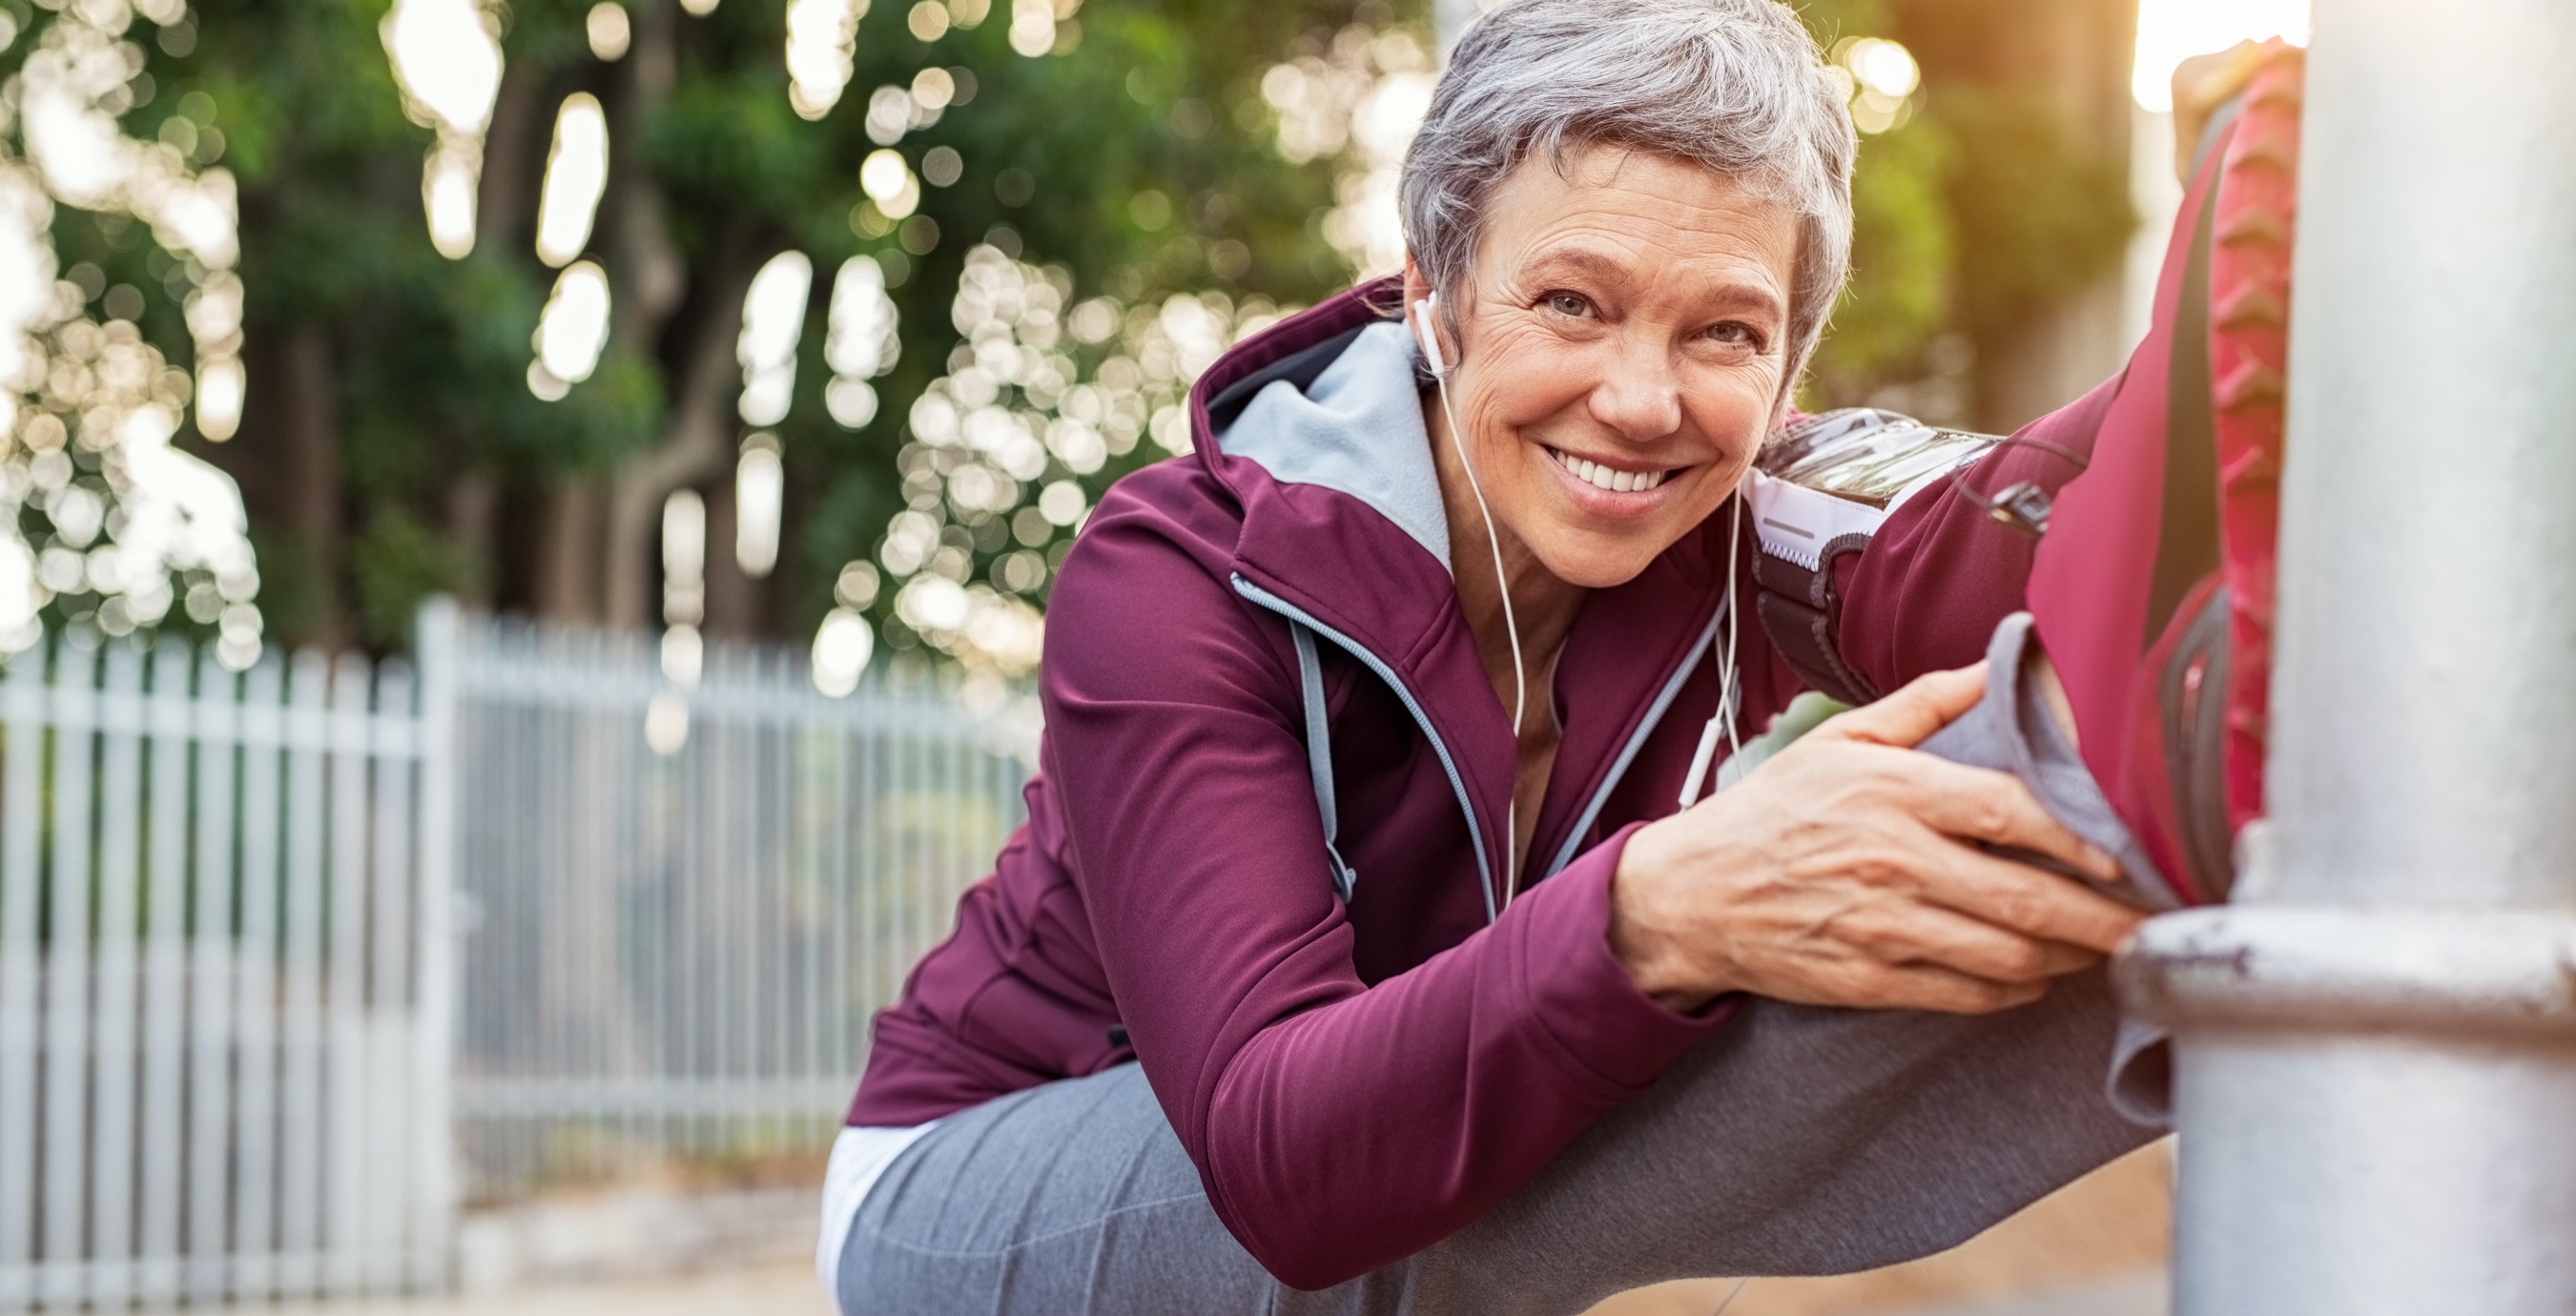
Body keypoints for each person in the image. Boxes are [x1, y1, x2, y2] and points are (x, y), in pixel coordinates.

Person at [826, 2, 2279, 1311]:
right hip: (994, 1174)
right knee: (1491, 1145)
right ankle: (2184, 817)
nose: (1642, 401)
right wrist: (1659, 910)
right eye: (1571, 303)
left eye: (1726, 331)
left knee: (2073, 736)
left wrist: (2302, 284)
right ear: (1433, 297)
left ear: (1789, 363)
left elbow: (2024, 535)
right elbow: (1283, 1160)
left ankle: (2243, 816)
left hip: (1404, 1161)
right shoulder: (1187, 568)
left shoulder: (1752, 516)